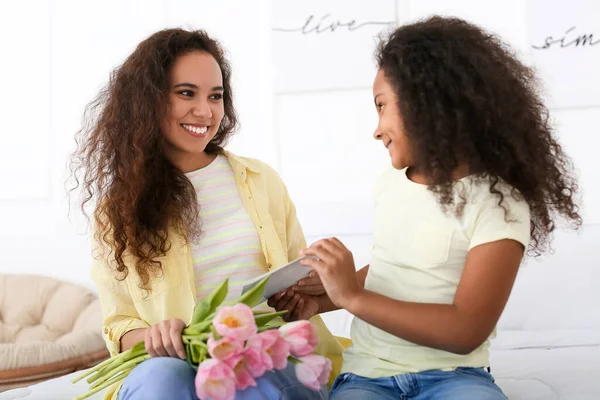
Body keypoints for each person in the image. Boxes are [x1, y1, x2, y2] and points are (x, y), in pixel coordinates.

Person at [270, 16, 582, 399]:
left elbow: (466, 330)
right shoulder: (389, 183)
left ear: (428, 103)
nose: (377, 128)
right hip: (367, 376)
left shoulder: (498, 203)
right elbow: (394, 271)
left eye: (382, 106)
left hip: (456, 375)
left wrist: (352, 296)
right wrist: (320, 301)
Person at [70, 28, 342, 400]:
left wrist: (301, 294)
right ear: (147, 101)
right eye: (186, 93)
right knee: (162, 380)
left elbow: (298, 275)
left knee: (267, 382)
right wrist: (154, 336)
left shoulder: (261, 181)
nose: (205, 110)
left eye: (216, 96)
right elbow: (119, 323)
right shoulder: (115, 212)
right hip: (175, 361)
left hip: (263, 349)